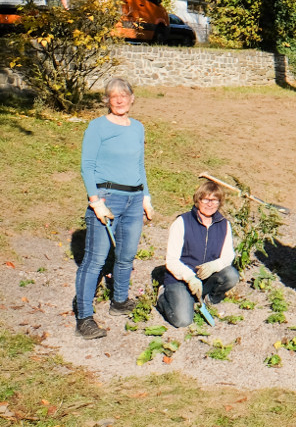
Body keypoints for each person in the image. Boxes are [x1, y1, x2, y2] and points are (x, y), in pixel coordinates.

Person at [76, 77, 154, 339]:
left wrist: (146, 197)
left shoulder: (138, 128)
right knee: (95, 260)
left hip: (134, 200)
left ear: (132, 98)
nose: (119, 100)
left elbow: (139, 166)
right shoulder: (97, 127)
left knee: (126, 255)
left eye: (124, 95)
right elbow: (87, 165)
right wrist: (95, 201)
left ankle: (119, 302)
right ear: (107, 100)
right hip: (108, 198)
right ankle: (84, 318)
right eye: (113, 96)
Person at [158, 181, 239, 327]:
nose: (210, 204)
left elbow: (228, 255)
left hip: (205, 278)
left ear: (220, 202)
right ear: (198, 200)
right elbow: (171, 261)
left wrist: (215, 265)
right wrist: (189, 277)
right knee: (182, 320)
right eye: (206, 199)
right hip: (181, 280)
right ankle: (163, 296)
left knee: (231, 275)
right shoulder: (182, 222)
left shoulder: (224, 224)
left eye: (215, 200)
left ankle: (208, 299)